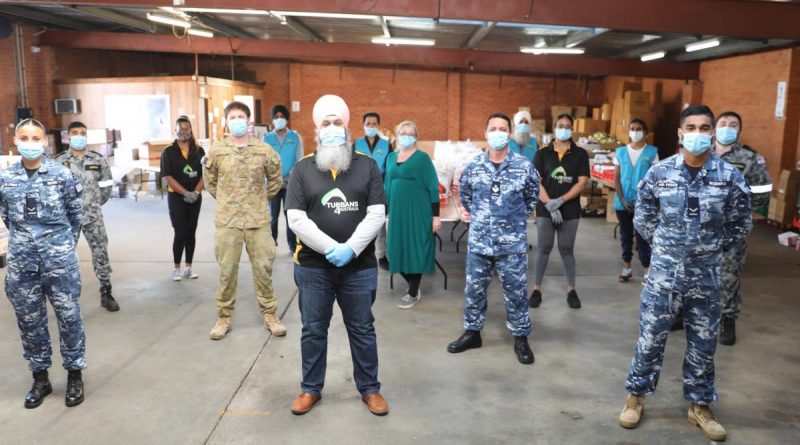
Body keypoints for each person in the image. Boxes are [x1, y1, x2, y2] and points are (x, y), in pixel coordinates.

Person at [618, 105, 752, 442]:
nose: (698, 133)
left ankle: (700, 403)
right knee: (650, 336)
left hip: (706, 276)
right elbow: (643, 216)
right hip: (664, 274)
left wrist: (711, 249)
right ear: (680, 134)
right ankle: (637, 395)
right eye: (690, 127)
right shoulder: (661, 173)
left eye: (705, 127)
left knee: (703, 343)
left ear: (711, 133)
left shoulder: (729, 176)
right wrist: (667, 247)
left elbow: (740, 223)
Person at [286, 94, 388, 416]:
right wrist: (330, 248)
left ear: (347, 127)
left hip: (359, 267)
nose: (333, 128)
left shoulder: (366, 166)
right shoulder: (303, 169)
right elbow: (295, 219)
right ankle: (310, 389)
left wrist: (351, 248)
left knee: (362, 328)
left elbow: (376, 213)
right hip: (313, 267)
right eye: (326, 123)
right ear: (317, 129)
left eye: (338, 122)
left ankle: (370, 389)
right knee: (313, 328)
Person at [1, 119, 86, 408]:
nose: (30, 142)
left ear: (45, 141)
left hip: (59, 264)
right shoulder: (6, 179)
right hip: (22, 266)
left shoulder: (63, 176)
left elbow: (76, 218)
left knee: (69, 317)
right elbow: (8, 218)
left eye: (35, 137)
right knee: (29, 322)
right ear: (15, 140)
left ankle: (74, 374)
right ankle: (40, 378)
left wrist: (59, 247)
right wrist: (27, 244)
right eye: (24, 137)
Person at [447, 112, 539, 365]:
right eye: (493, 128)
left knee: (516, 291)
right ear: (486, 133)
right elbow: (466, 198)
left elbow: (531, 199)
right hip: (480, 242)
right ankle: (472, 332)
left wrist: (510, 218)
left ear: (509, 133)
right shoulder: (473, 167)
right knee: (474, 289)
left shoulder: (524, 167)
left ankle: (520, 337)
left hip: (512, 244)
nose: (498, 132)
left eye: (502, 128)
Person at [202, 101, 286, 340]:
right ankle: (224, 317)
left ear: (249, 121)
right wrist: (229, 201)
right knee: (227, 270)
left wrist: (257, 200)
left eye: (241, 117)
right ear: (226, 122)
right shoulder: (216, 151)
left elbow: (276, 181)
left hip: (258, 220)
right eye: (233, 117)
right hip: (228, 221)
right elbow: (210, 183)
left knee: (263, 268)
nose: (237, 121)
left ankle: (270, 314)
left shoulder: (264, 150)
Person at [713, 111, 772, 345]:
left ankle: (727, 319)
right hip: (699, 227)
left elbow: (762, 190)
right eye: (723, 123)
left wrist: (738, 212)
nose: (728, 127)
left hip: (731, 229)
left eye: (733, 124)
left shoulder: (750, 158)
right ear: (715, 128)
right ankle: (683, 313)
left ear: (739, 130)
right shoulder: (699, 153)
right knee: (691, 272)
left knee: (728, 275)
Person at [53, 121, 118, 312]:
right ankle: (65, 297)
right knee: (65, 257)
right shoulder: (58, 161)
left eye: (82, 133)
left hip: (93, 216)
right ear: (68, 136)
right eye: (75, 132)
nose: (79, 136)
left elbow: (106, 186)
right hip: (67, 219)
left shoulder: (97, 160)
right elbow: (52, 189)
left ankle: (106, 292)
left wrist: (94, 203)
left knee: (100, 254)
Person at [529, 114, 589, 309]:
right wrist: (549, 204)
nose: (564, 129)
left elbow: (582, 183)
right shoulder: (542, 153)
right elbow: (536, 182)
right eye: (561, 125)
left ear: (572, 129)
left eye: (568, 126)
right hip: (546, 210)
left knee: (566, 249)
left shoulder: (580, 154)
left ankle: (572, 290)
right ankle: (536, 289)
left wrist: (561, 200)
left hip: (570, 210)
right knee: (543, 248)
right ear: (554, 127)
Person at [384, 120, 441, 309]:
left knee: (416, 249)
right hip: (397, 213)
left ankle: (413, 291)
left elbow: (433, 187)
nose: (406, 136)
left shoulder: (422, 158)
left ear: (416, 137)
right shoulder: (391, 157)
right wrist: (384, 210)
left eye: (411, 133)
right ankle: (412, 284)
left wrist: (435, 216)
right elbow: (387, 186)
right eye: (403, 133)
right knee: (394, 250)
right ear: (397, 135)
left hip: (419, 211)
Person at [613, 119, 658, 282]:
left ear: (645, 132)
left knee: (643, 236)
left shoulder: (652, 152)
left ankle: (647, 270)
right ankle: (627, 267)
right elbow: (616, 179)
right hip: (622, 202)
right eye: (632, 129)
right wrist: (622, 199)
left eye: (639, 129)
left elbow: (654, 179)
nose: (635, 132)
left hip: (644, 203)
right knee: (626, 235)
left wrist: (645, 200)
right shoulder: (620, 152)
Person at [160, 116, 205, 281]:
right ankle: (176, 268)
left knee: (191, 232)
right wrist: (185, 193)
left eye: (187, 128)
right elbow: (168, 176)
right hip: (177, 197)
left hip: (195, 197)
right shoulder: (168, 151)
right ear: (175, 130)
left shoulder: (199, 150)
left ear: (191, 130)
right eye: (181, 128)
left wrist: (196, 192)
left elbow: (204, 174)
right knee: (180, 232)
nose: (184, 131)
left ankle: (188, 267)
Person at [353, 111, 393, 270]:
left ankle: (382, 255)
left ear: (378, 126)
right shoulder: (356, 144)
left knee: (380, 223)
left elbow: (389, 169)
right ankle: (361, 253)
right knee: (360, 223)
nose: (371, 126)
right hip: (361, 190)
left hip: (380, 189)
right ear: (363, 126)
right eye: (368, 124)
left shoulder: (386, 145)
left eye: (374, 124)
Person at [264, 104, 303, 255]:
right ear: (273, 120)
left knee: (290, 216)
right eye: (276, 117)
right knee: (273, 217)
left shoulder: (295, 137)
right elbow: (264, 160)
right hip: (273, 184)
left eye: (282, 117)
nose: (279, 119)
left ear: (287, 119)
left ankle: (292, 245)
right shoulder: (266, 138)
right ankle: (272, 243)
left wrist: (290, 176)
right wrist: (273, 178)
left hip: (290, 184)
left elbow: (299, 159)